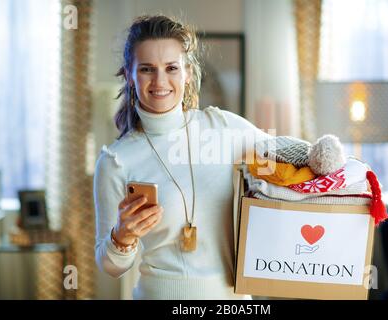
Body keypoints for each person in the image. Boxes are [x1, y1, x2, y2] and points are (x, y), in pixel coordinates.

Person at [93, 15, 270, 300]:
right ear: (129, 75)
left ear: (187, 72)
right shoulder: (115, 160)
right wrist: (122, 236)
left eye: (171, 68)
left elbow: (293, 155)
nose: (160, 81)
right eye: (147, 69)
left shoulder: (224, 128)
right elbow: (110, 266)